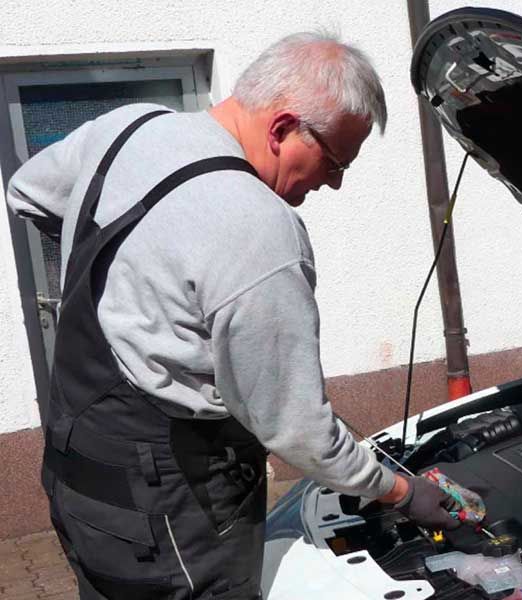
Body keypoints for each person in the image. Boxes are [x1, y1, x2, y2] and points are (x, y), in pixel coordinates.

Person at [7, 32, 462, 600]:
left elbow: (27, 193)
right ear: (282, 128)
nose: (336, 182)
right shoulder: (258, 231)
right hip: (172, 523)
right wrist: (401, 492)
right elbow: (300, 432)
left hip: (80, 484)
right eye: (335, 161)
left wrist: (136, 277)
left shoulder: (131, 128)